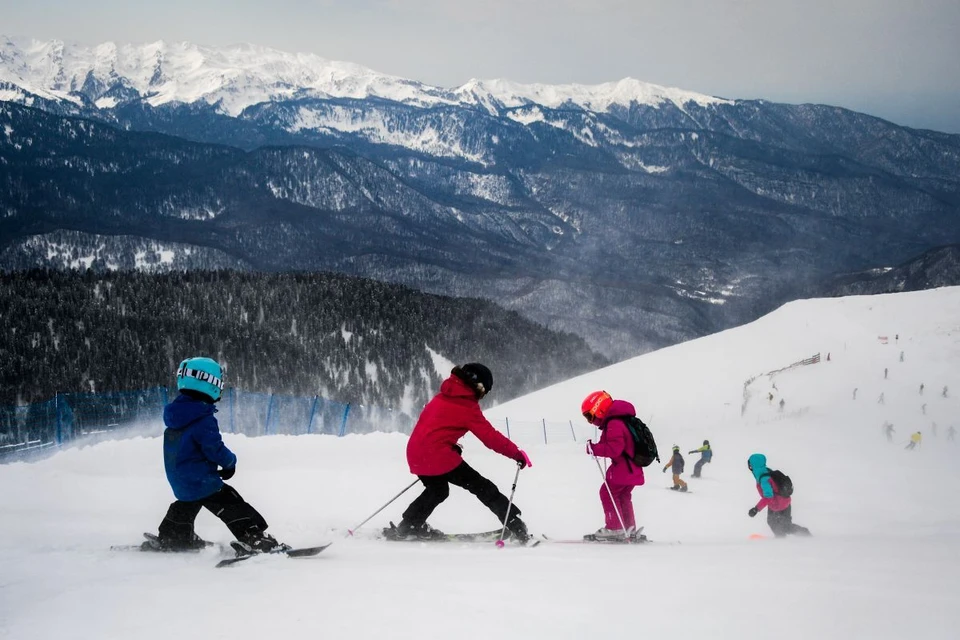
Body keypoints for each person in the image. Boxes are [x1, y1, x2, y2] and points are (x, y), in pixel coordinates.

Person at [146, 357, 285, 553]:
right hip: (202, 479)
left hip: (180, 478)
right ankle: (254, 538)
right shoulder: (202, 419)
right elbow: (214, 448)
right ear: (210, 384)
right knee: (231, 502)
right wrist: (230, 462)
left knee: (187, 503)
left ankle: (174, 536)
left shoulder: (176, 416)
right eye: (219, 384)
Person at [384, 363, 532, 542]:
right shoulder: (467, 405)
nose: (483, 395)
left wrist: (449, 445)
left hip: (416, 453)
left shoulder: (443, 395)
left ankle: (410, 524)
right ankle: (515, 525)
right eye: (485, 390)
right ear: (479, 385)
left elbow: (433, 428)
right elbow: (490, 437)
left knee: (437, 490)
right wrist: (515, 453)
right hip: (437, 456)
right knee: (482, 487)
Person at [581, 390, 646, 540]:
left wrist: (593, 449)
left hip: (623, 468)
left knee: (607, 493)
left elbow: (614, 449)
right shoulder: (621, 420)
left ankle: (615, 528)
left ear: (599, 408)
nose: (590, 421)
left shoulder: (614, 423)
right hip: (633, 468)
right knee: (623, 495)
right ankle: (628, 528)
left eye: (590, 416)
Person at [746, 453, 811, 537]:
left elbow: (768, 496)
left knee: (782, 525)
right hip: (784, 501)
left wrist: (756, 509)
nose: (749, 465)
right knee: (780, 524)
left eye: (750, 463)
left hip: (778, 505)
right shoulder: (766, 470)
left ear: (753, 465)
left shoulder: (764, 479)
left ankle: (788, 538)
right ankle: (784, 539)